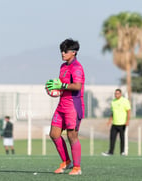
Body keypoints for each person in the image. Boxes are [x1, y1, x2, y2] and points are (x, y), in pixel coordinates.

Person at [46, 38, 85, 175]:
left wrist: (60, 86)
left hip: (73, 106)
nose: (62, 53)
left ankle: (77, 167)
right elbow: (61, 86)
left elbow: (77, 86)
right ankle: (66, 161)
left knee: (72, 136)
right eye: (61, 51)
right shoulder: (63, 67)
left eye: (65, 51)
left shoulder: (77, 67)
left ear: (73, 52)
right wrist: (54, 91)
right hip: (61, 105)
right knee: (54, 134)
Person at [102, 89, 131, 156]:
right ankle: (111, 152)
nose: (116, 95)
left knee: (122, 138)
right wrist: (110, 120)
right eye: (115, 94)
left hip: (122, 123)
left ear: (121, 94)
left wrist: (127, 121)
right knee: (112, 137)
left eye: (118, 93)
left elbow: (128, 111)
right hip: (115, 123)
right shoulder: (113, 102)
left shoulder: (125, 101)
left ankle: (122, 152)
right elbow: (113, 112)